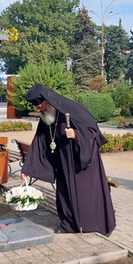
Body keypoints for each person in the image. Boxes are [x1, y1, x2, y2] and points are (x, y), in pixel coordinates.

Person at [21, 84, 116, 235]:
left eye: (40, 106)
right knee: (66, 196)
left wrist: (77, 135)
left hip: (81, 165)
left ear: (48, 100)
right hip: (63, 164)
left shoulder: (73, 109)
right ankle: (69, 224)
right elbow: (39, 141)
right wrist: (27, 168)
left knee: (85, 197)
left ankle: (92, 225)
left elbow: (93, 132)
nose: (39, 109)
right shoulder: (47, 116)